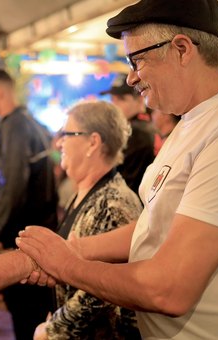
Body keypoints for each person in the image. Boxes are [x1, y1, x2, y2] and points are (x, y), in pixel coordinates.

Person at [0, 0, 218, 338]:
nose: (131, 77)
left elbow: (168, 289)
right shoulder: (195, 119)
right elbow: (157, 223)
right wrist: (75, 249)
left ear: (182, 49)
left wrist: (68, 266)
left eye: (137, 59)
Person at [33, 100, 142, 340]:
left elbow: (101, 289)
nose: (59, 142)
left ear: (93, 142)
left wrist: (52, 330)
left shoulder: (114, 202)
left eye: (67, 134)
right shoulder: (84, 190)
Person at [0, 69, 58, 340]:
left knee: (27, 314)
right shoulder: (25, 122)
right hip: (34, 231)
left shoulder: (15, 126)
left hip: (24, 235)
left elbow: (11, 183)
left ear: (0, 93)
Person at [101, 73, 157, 193]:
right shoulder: (145, 126)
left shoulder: (136, 131)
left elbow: (127, 184)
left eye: (121, 99)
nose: (114, 105)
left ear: (140, 99)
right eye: (112, 99)